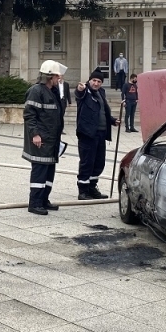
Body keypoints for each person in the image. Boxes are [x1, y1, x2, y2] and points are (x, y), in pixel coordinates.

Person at [22, 60, 66, 215]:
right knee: (39, 171)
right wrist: (35, 134)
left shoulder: (53, 91)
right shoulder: (36, 91)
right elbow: (29, 115)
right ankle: (34, 203)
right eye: (57, 76)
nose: (59, 79)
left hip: (51, 140)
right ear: (50, 76)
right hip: (41, 139)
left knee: (49, 173)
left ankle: (44, 200)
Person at [75, 69, 120, 200]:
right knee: (87, 162)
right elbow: (78, 94)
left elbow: (103, 111)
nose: (96, 83)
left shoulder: (101, 92)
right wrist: (80, 89)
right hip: (87, 133)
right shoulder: (85, 91)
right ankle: (83, 191)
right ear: (89, 80)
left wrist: (112, 120)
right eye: (94, 80)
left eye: (99, 81)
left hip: (100, 133)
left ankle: (92, 188)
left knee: (99, 162)